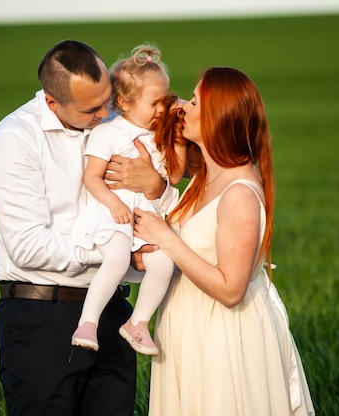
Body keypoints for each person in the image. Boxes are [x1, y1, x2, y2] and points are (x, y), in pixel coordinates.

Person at [0, 40, 178, 416]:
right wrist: (120, 253)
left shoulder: (116, 123)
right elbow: (28, 247)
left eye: (108, 100)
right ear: (53, 102)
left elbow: (162, 202)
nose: (106, 113)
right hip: (41, 319)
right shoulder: (15, 139)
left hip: (113, 311)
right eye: (92, 109)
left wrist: (155, 186)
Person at [133, 67, 315, 415]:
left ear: (216, 117)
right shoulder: (205, 177)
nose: (183, 107)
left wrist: (166, 239)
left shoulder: (240, 195)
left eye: (194, 101)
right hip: (190, 329)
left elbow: (232, 289)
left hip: (223, 338)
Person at [71, 45, 187, 356]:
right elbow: (92, 177)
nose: (162, 109)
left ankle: (137, 323)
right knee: (118, 257)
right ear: (124, 102)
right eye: (154, 103)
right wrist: (114, 204)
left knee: (164, 261)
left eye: (165, 101)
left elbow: (174, 177)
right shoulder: (108, 133)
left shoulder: (160, 133)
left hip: (145, 217)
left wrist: (175, 137)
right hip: (116, 215)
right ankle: (88, 322)